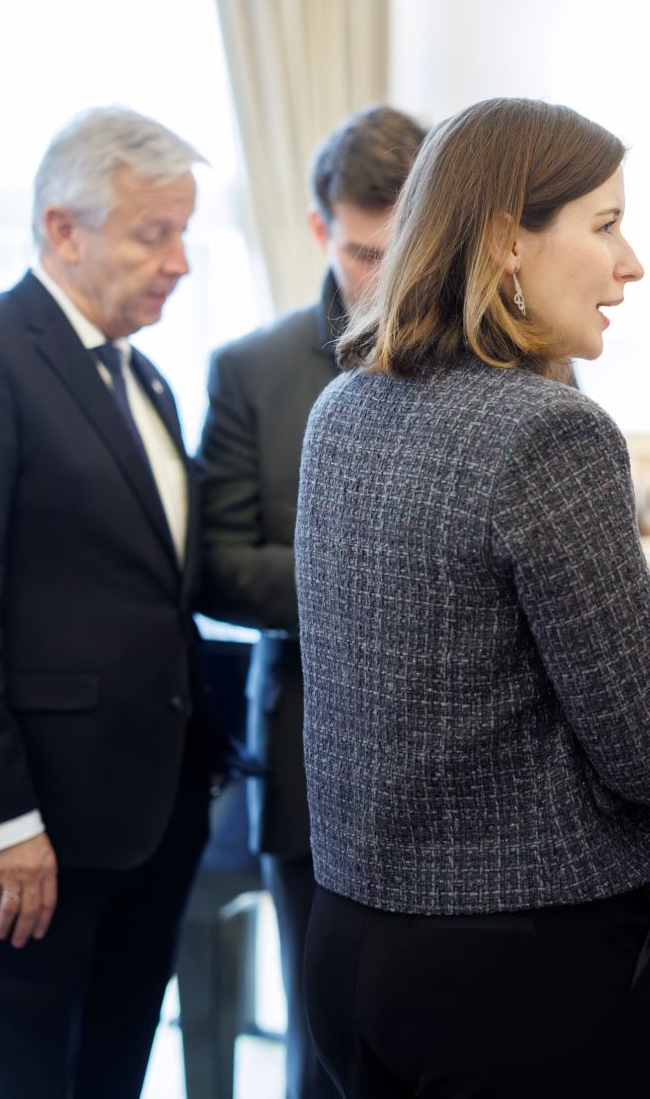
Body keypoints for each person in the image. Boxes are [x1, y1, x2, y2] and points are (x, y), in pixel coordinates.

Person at [295, 97, 650, 1098]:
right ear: (505, 240)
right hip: (516, 978)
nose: (631, 263)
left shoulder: (342, 406)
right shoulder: (547, 429)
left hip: (351, 948)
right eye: (605, 225)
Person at [0, 107, 218, 1097]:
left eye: (184, 233)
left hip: (148, 816)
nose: (179, 262)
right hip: (31, 827)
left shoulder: (143, 377)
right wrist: (1, 820)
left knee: (111, 1074)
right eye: (153, 235)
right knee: (17, 1079)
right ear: (62, 229)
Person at [196, 103, 426, 1099]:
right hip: (306, 753)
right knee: (327, 1054)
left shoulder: (504, 361)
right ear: (317, 228)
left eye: (406, 248)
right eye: (364, 253)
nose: (387, 278)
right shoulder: (250, 371)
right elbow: (216, 566)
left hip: (470, 764)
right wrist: (378, 581)